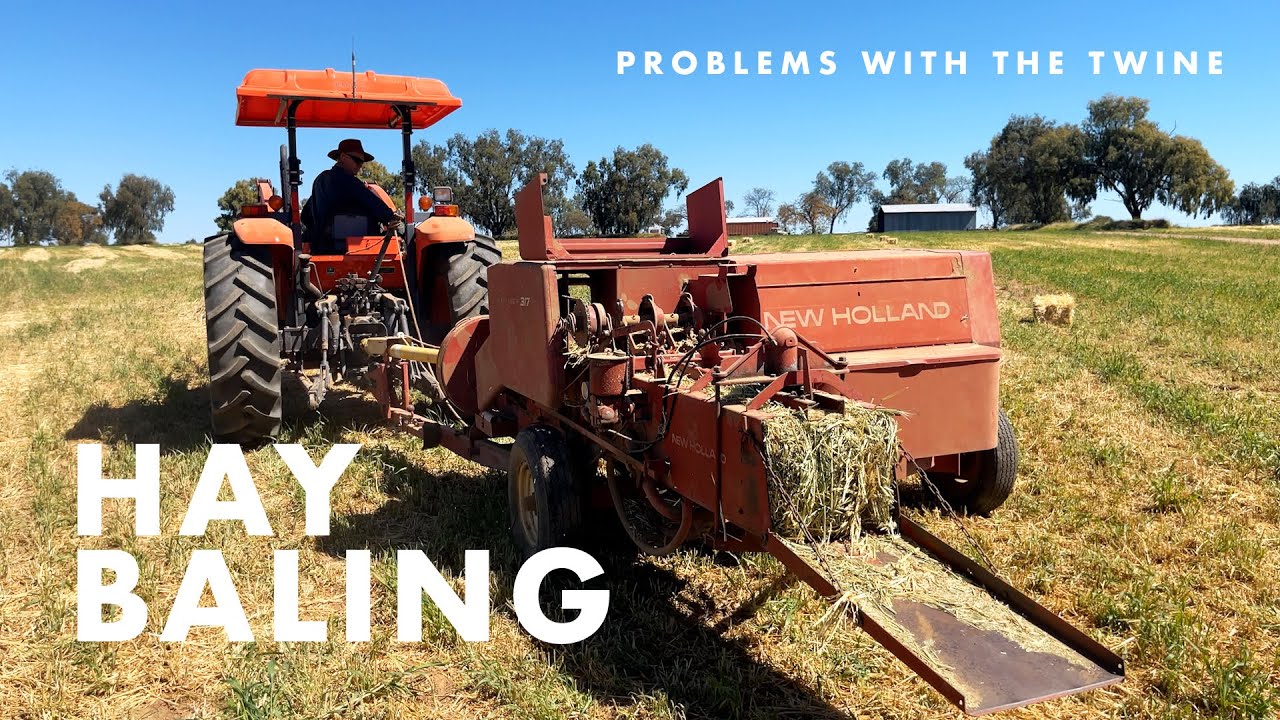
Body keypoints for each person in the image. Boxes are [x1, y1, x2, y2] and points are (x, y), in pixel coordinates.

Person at [300, 139, 403, 250]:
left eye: (362, 163)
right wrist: (395, 221)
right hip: (348, 250)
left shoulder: (320, 181)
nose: (360, 166)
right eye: (357, 161)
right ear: (343, 157)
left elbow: (305, 216)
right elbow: (375, 205)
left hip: (320, 248)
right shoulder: (348, 181)